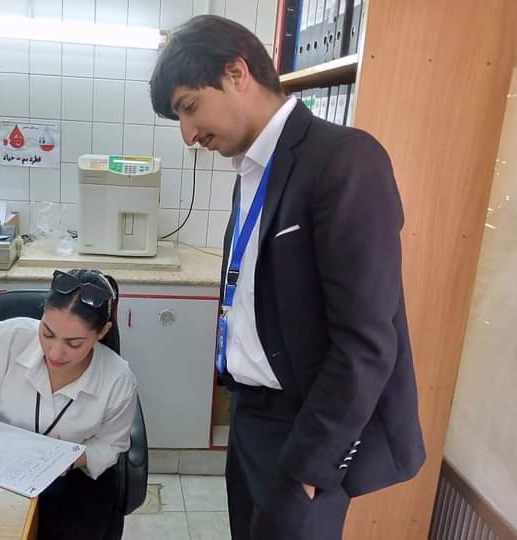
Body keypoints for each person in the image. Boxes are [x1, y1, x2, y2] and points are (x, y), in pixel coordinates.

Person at [150, 15, 425, 540]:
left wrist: (309, 469)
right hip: (250, 418)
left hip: (304, 430)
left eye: (190, 107)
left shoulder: (344, 159)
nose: (188, 135)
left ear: (236, 73)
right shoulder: (253, 170)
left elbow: (367, 342)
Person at [0, 269, 137, 540]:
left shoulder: (118, 379)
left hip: (71, 482)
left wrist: (68, 459)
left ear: (102, 332)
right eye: (47, 333)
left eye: (74, 343)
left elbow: (112, 445)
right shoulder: (7, 338)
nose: (55, 353)